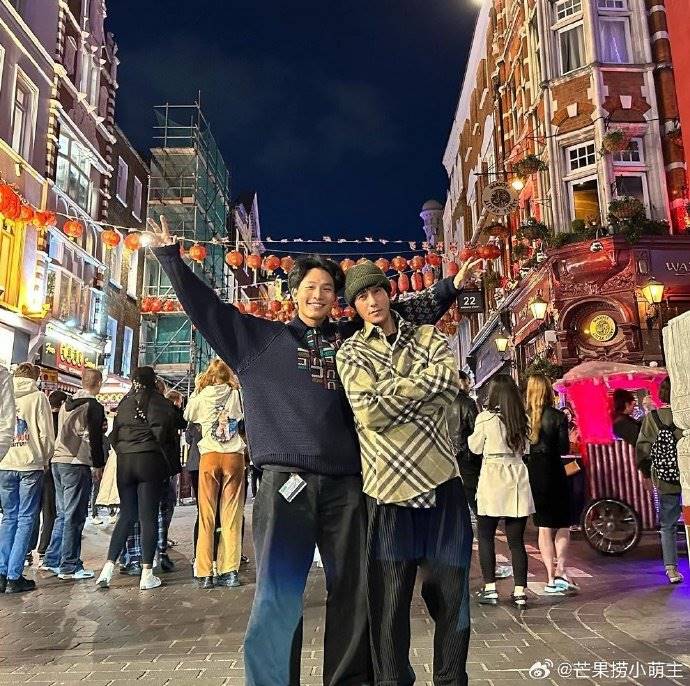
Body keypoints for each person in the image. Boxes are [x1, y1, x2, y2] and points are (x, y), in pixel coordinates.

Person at [146, 214, 479, 685]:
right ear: (294, 291)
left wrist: (448, 288)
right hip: (286, 484)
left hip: (349, 485)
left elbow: (398, 311)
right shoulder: (258, 340)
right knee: (279, 594)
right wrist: (169, 257)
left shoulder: (348, 340)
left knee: (354, 592)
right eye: (310, 287)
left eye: (327, 288)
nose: (319, 295)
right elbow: (208, 310)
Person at [336, 262, 472, 686]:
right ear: (354, 305)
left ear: (388, 292)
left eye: (377, 291)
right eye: (362, 297)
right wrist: (419, 390)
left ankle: (451, 680)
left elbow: (447, 384)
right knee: (389, 604)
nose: (372, 301)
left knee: (452, 598)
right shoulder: (350, 352)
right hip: (387, 490)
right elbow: (368, 412)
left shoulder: (429, 335)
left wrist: (389, 391)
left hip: (441, 483)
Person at [96, 367, 182, 591]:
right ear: (153, 381)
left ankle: (107, 570)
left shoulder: (125, 402)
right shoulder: (160, 401)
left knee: (126, 515)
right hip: (149, 462)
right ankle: (147, 574)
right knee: (148, 518)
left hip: (125, 463)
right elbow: (176, 424)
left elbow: (114, 435)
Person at [469, 374, 534, 608]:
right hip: (516, 476)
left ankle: (490, 589)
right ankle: (520, 592)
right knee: (516, 541)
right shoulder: (522, 418)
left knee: (486, 535)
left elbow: (475, 448)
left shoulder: (485, 419)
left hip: (493, 476)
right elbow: (527, 448)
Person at [184, 359, 245, 589]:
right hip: (234, 457)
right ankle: (230, 571)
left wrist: (197, 390)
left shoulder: (202, 396)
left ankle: (205, 572)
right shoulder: (236, 394)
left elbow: (188, 415)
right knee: (232, 515)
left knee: (207, 516)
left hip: (209, 456)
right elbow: (244, 416)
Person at [41, 368, 105, 580]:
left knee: (63, 514)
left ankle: (52, 559)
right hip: (76, 462)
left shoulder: (67, 403)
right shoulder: (93, 406)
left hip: (58, 460)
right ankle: (70, 565)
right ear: (99, 383)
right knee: (75, 515)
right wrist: (98, 465)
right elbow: (95, 438)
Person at [0, 363, 52, 593]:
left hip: (5, 462)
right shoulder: (38, 397)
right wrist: (44, 458)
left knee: (8, 517)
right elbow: (46, 434)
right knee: (26, 519)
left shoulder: (5, 392)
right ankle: (14, 576)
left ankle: (1, 572)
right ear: (34, 377)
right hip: (30, 464)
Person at [525, 374, 578, 594]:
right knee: (563, 523)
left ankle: (549, 578)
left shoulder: (525, 417)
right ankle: (561, 570)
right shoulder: (558, 416)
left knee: (544, 527)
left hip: (534, 473)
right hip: (555, 471)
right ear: (548, 391)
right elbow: (564, 448)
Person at [636, 376, 683, 584]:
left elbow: (642, 449)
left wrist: (646, 474)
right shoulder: (684, 416)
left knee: (668, 524)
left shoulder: (652, 418)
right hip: (686, 475)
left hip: (665, 477)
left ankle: (671, 569)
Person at [28, 390, 67, 565]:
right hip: (52, 468)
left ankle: (27, 550)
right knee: (50, 510)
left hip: (35, 466)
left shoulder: (41, 417)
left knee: (32, 510)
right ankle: (45, 548)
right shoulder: (61, 420)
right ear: (63, 403)